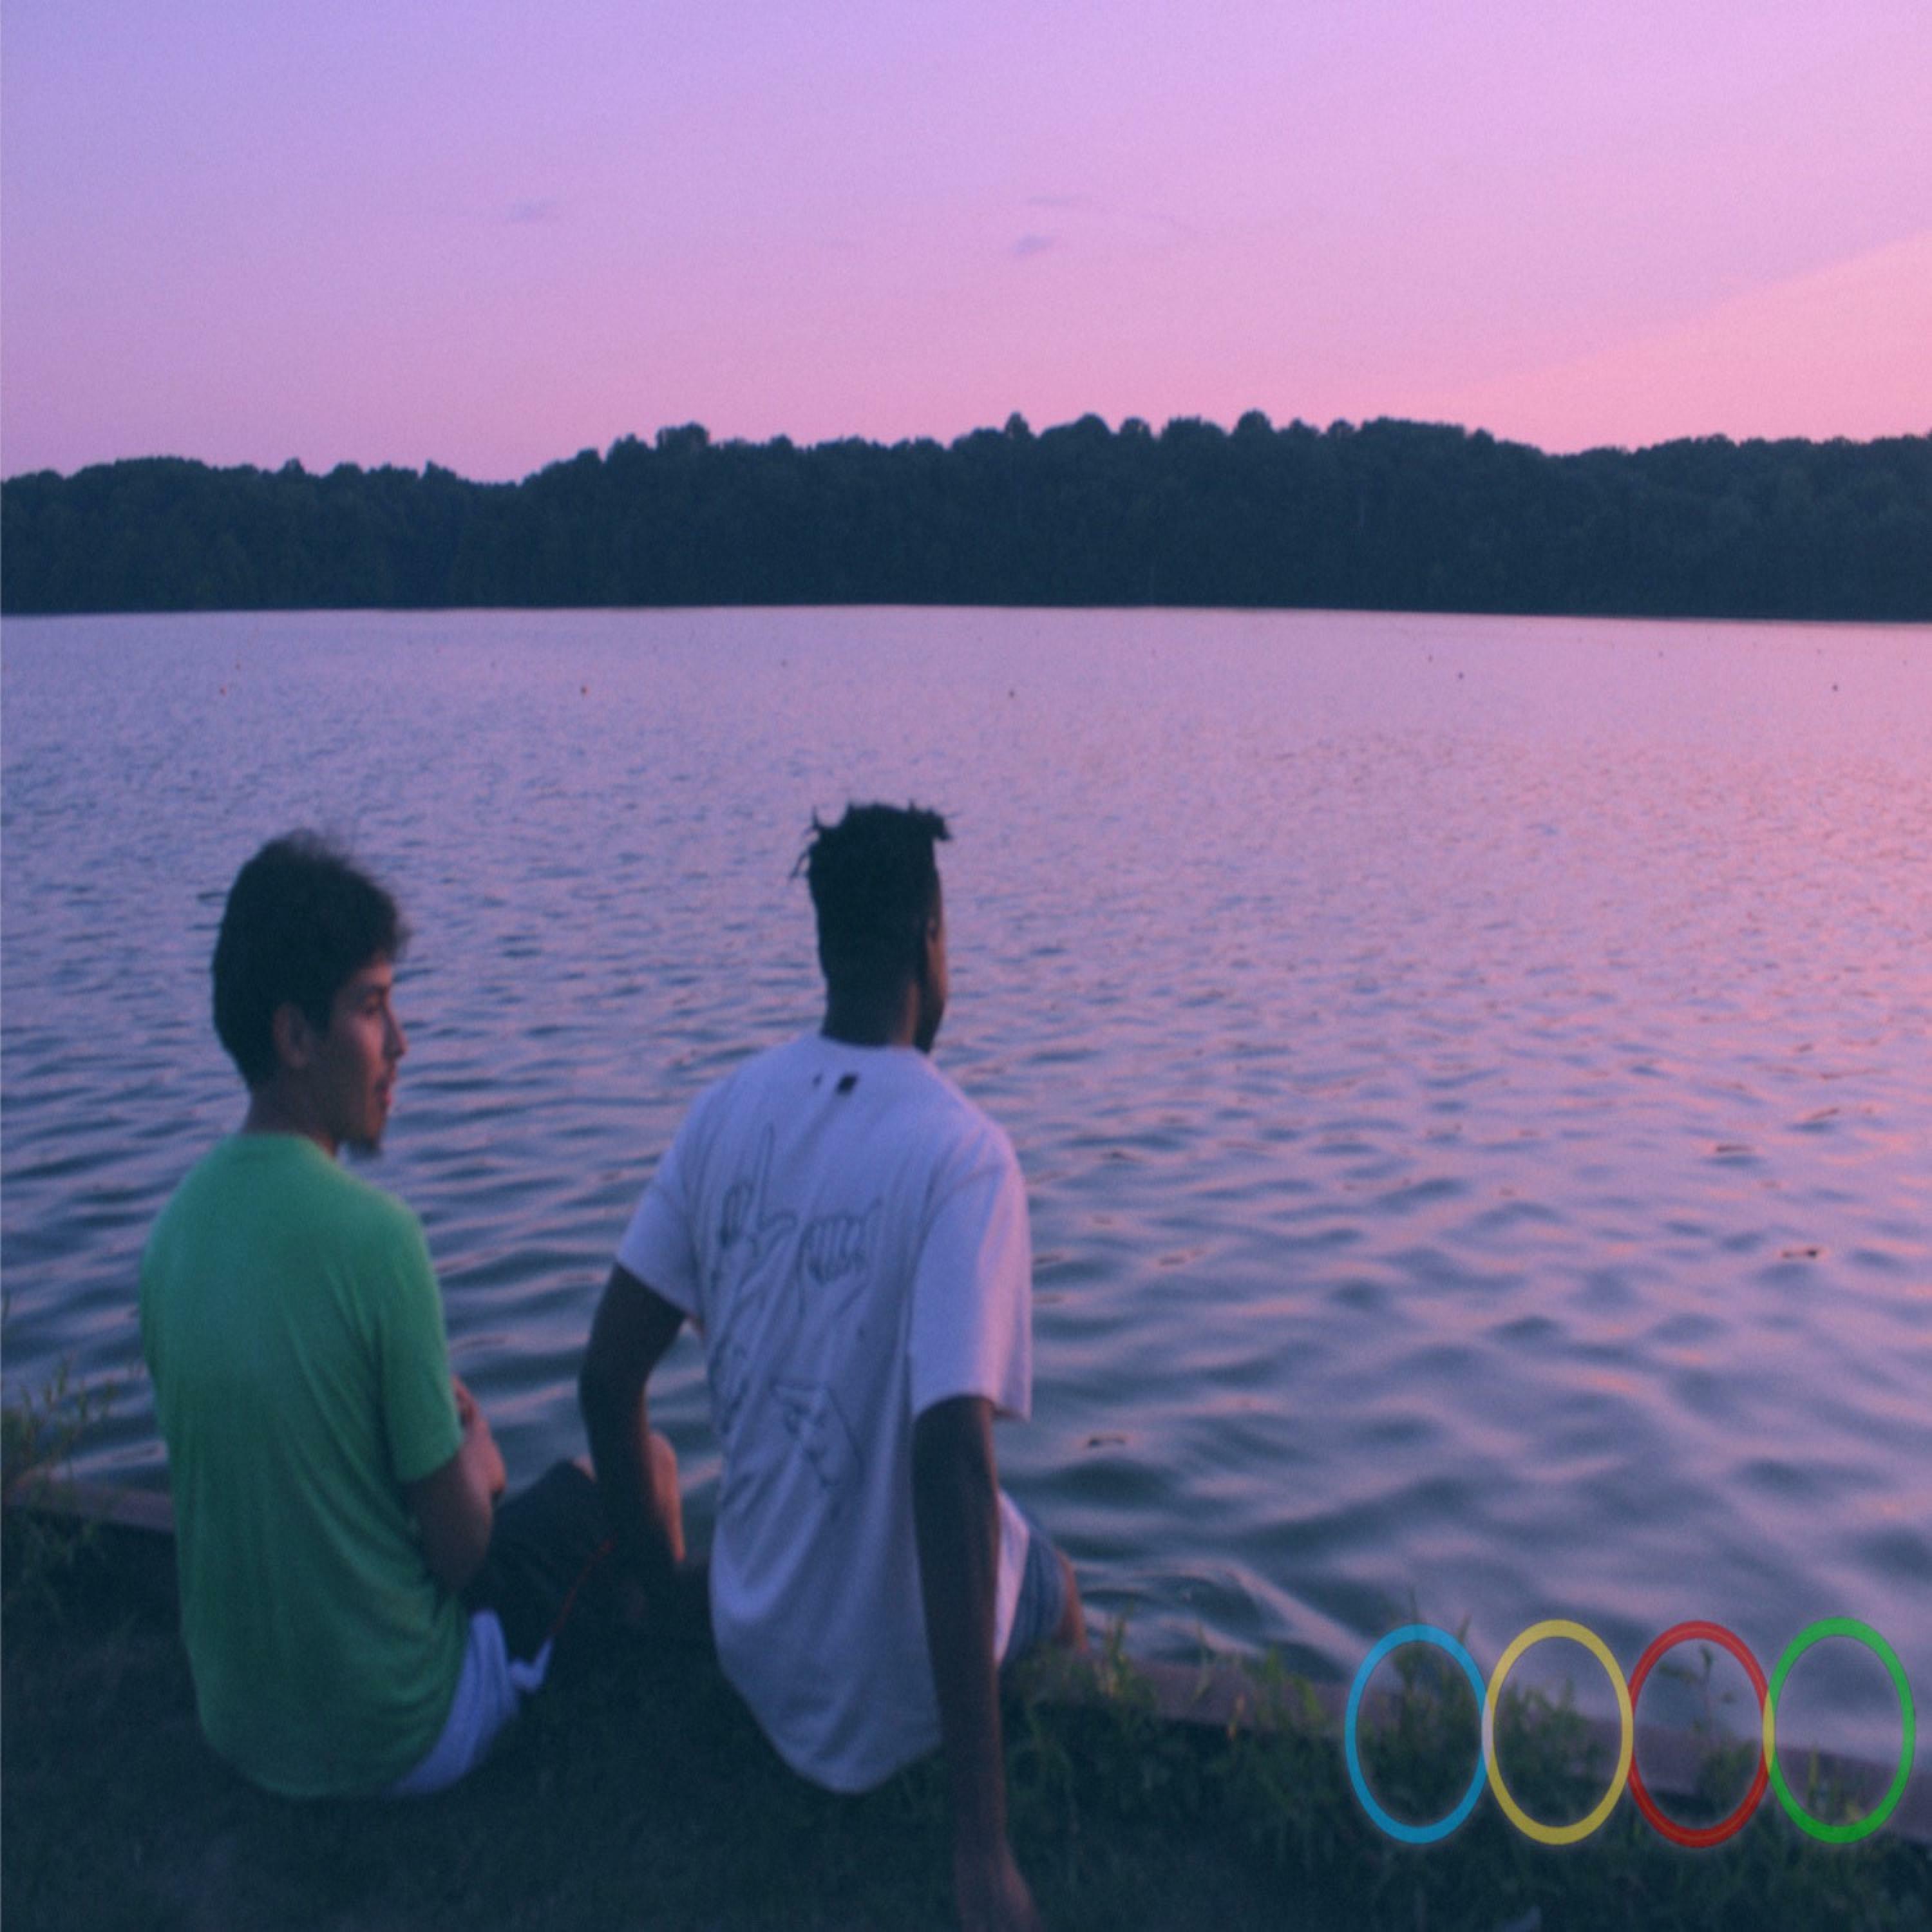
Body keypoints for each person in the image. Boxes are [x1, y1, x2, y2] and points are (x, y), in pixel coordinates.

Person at [581, 802, 1084, 1932]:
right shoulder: (965, 1156)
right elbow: (952, 1466)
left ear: (823, 946)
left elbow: (606, 1379)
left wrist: (664, 1596)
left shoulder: (723, 1114)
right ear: (931, 941)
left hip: (751, 1644)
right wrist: (980, 1849)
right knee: (1055, 1589)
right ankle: (1051, 1786)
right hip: (887, 1703)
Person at [140, 831, 681, 1799]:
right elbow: (464, 1553)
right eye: (371, 1008)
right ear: (295, 1037)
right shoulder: (376, 1240)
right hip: (397, 1731)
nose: (400, 1043)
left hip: (242, 1724)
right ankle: (669, 1710)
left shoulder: (171, 1234)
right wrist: (480, 1459)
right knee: (652, 1469)